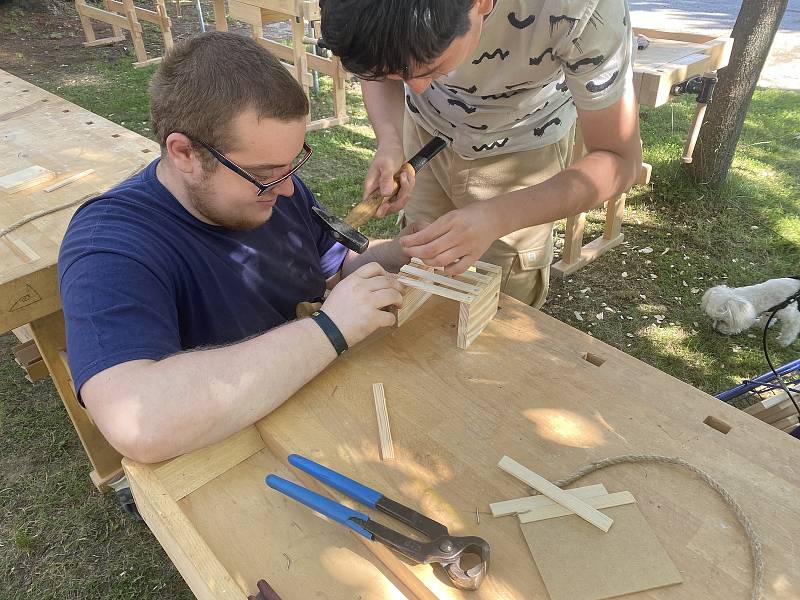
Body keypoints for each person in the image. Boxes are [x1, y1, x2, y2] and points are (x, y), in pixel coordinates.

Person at [58, 32, 414, 464]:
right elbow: (139, 423)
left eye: (292, 164)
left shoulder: (272, 188)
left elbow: (333, 266)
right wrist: (330, 329)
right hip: (235, 454)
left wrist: (406, 251)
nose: (286, 189)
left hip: (313, 406)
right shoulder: (112, 244)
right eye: (266, 173)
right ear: (184, 152)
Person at [320, 0, 642, 307]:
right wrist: (390, 139)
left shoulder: (583, 9)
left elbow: (619, 159)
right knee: (417, 275)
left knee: (502, 301)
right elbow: (380, 59)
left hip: (523, 148)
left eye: (432, 68)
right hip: (425, 133)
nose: (417, 89)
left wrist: (497, 216)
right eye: (398, 75)